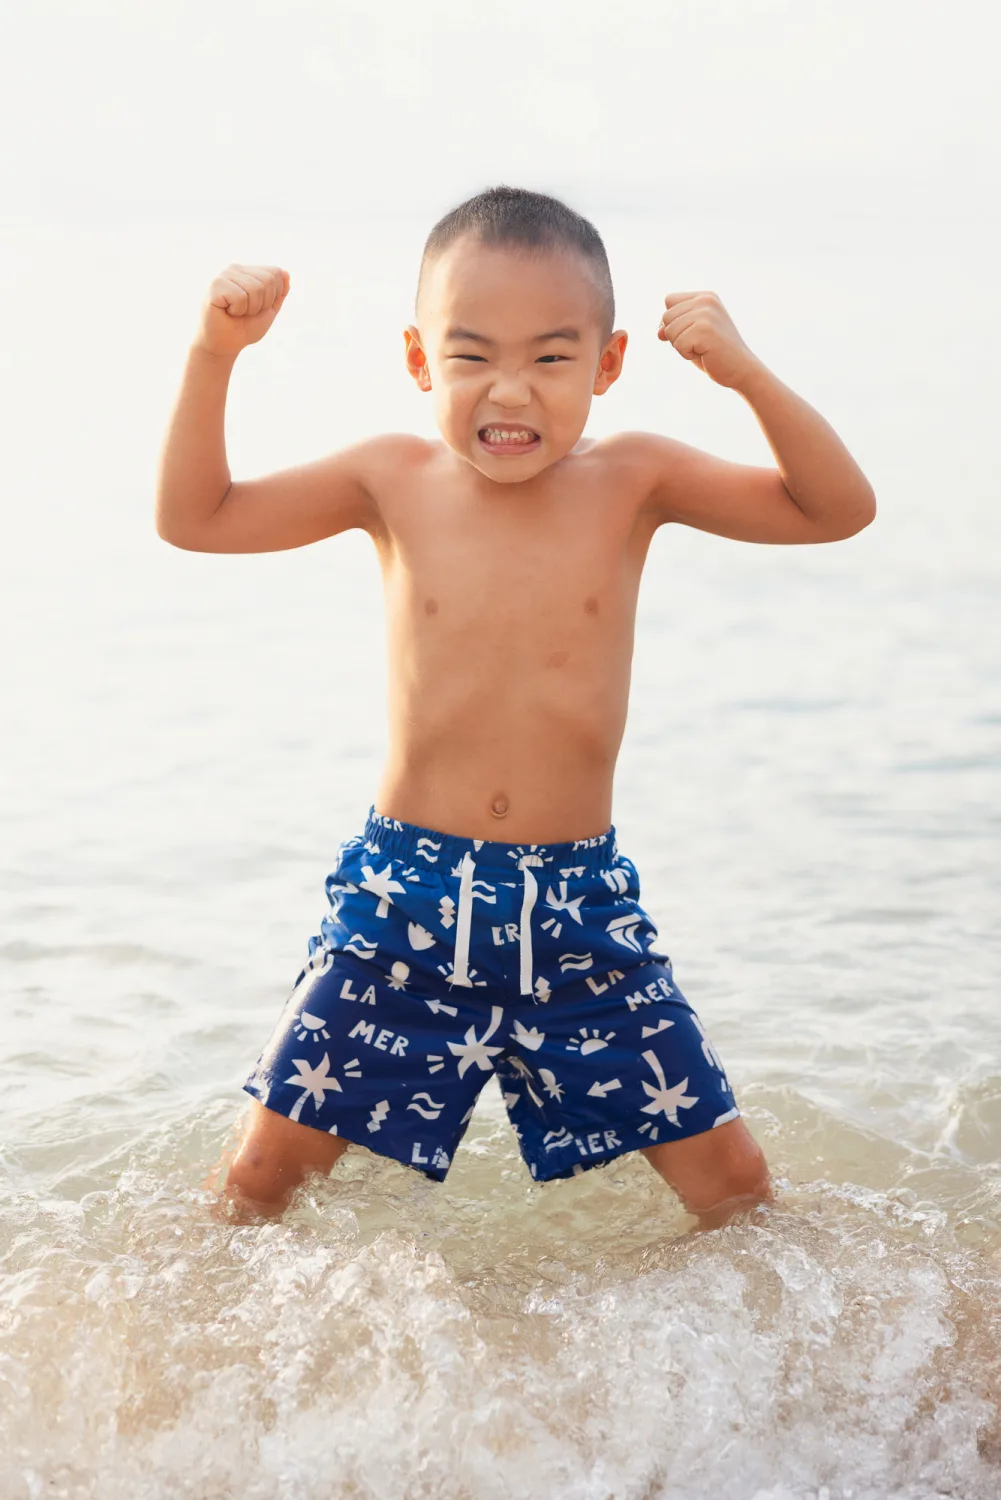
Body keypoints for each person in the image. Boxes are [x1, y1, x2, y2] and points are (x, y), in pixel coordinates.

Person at [156, 186, 875, 1228]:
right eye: (470, 354)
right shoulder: (386, 478)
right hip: (404, 899)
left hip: (579, 910)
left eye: (549, 358)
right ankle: (182, 1366)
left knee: (735, 1193)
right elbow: (196, 517)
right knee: (260, 1179)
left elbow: (833, 510)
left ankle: (726, 1374)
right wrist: (213, 354)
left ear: (607, 364)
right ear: (417, 360)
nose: (511, 391)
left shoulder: (636, 478)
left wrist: (744, 374)